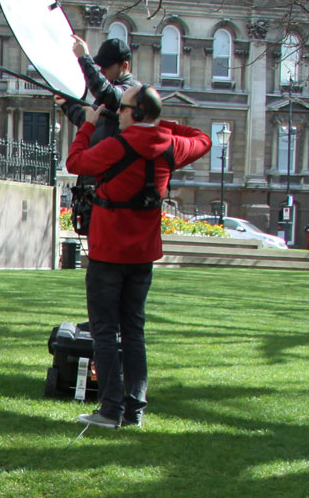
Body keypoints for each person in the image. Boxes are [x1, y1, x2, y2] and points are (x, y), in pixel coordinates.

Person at [63, 85, 210, 428]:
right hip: (143, 255)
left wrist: (87, 123)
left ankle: (111, 410)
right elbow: (202, 138)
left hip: (108, 252)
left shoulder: (116, 146)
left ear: (137, 113)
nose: (120, 114)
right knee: (133, 331)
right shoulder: (171, 146)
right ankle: (134, 411)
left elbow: (75, 162)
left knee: (104, 330)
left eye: (125, 109)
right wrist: (159, 123)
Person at [66, 36, 137, 239]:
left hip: (111, 188)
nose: (102, 71)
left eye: (106, 67)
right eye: (99, 67)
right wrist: (66, 104)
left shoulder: (130, 93)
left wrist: (85, 59)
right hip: (93, 187)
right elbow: (86, 119)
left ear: (124, 66)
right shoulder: (108, 97)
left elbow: (107, 93)